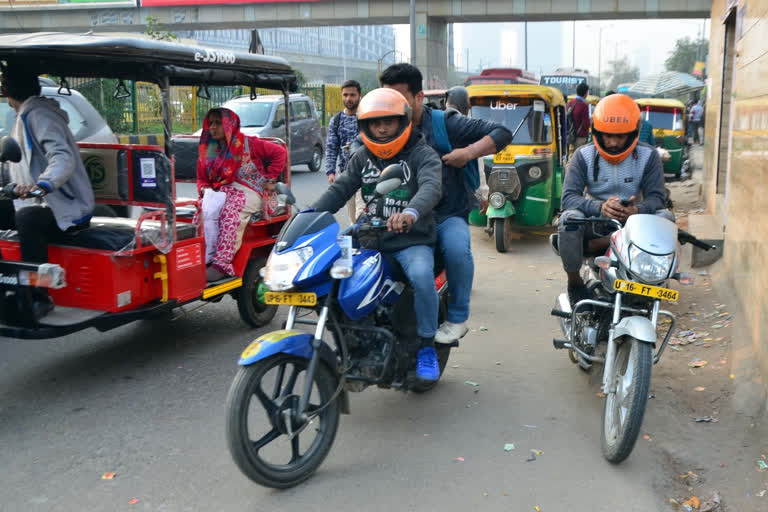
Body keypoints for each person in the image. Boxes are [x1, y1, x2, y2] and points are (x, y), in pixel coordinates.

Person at [311, 88, 443, 382]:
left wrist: (410, 213)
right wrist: (309, 214)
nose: (381, 128)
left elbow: (431, 188)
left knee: (422, 276)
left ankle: (426, 346)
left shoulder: (423, 155)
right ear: (365, 126)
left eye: (389, 121)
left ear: (402, 121)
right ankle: (349, 338)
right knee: (330, 274)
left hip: (411, 240)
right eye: (375, 122)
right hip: (368, 236)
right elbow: (340, 189)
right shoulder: (362, 157)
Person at [379, 63, 512, 344]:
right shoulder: (381, 126)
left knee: (456, 248)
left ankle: (457, 317)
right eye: (387, 99)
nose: (392, 107)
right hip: (396, 216)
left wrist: (467, 152)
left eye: (400, 99)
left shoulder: (445, 123)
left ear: (419, 97)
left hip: (445, 213)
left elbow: (502, 132)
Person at [558, 94, 673, 307]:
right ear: (596, 131)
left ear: (633, 133)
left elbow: (657, 197)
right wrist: (600, 207)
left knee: (666, 217)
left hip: (634, 225)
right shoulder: (582, 156)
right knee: (568, 219)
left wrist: (638, 210)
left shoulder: (648, 156)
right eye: (607, 136)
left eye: (620, 137)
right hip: (594, 222)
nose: (612, 143)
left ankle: (655, 282)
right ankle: (574, 283)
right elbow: (569, 198)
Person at [0, 64, 95, 319]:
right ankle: (5, 283)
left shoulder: (39, 115)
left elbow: (62, 158)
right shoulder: (25, 115)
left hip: (67, 207)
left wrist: (42, 185)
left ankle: (39, 297)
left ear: (6, 91)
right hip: (43, 203)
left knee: (27, 219)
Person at [197, 107, 287, 281]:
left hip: (252, 190)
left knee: (231, 211)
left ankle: (222, 263)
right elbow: (201, 179)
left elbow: (280, 153)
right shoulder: (208, 149)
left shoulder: (248, 144)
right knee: (200, 210)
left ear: (229, 125)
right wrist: (204, 190)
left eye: (218, 123)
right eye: (211, 123)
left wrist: (270, 179)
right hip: (220, 191)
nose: (213, 128)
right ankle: (204, 258)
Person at [325, 79, 363, 222]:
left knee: (362, 214)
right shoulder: (336, 120)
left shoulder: (367, 117)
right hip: (347, 174)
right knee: (353, 218)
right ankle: (356, 243)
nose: (349, 98)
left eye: (352, 95)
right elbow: (331, 147)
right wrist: (330, 171)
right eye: (345, 95)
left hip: (367, 173)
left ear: (359, 95)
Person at [567, 82, 591, 157]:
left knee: (571, 156)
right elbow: (586, 123)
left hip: (571, 135)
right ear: (586, 93)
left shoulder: (570, 103)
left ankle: (569, 168)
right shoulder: (584, 105)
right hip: (581, 137)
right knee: (581, 157)